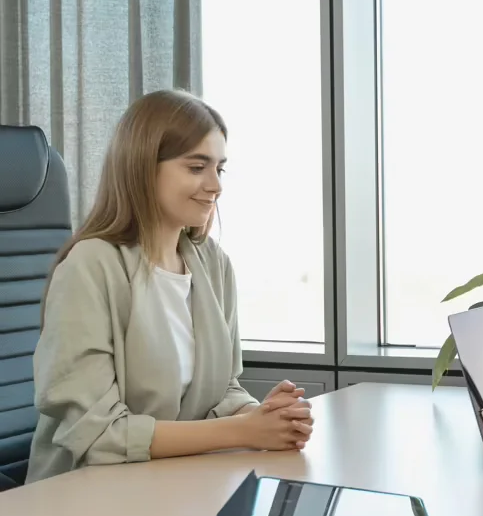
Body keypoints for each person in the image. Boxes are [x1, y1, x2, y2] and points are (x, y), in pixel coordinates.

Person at [28, 90, 314, 482]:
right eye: (197, 167)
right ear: (144, 168)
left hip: (170, 486)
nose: (215, 185)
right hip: (83, 499)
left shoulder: (213, 264)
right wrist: (242, 432)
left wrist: (262, 416)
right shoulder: (90, 267)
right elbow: (97, 436)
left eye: (220, 168)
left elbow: (223, 390)